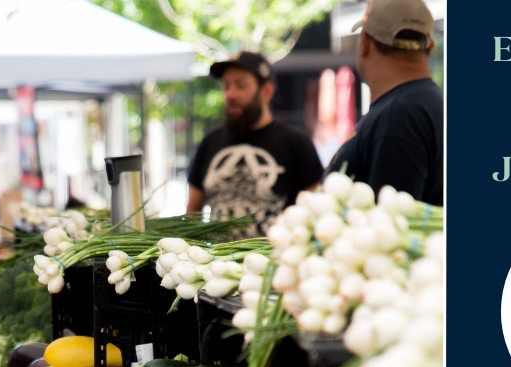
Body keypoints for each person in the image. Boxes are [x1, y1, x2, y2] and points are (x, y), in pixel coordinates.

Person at [187, 51, 324, 237]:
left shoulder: (296, 143)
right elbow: (191, 214)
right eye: (226, 86)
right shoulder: (209, 143)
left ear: (266, 91)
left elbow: (315, 212)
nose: (230, 94)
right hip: (215, 262)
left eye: (240, 85)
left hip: (275, 261)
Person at [327, 0, 443, 206]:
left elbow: (388, 222)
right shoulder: (430, 103)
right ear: (431, 46)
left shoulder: (399, 115)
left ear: (365, 43)